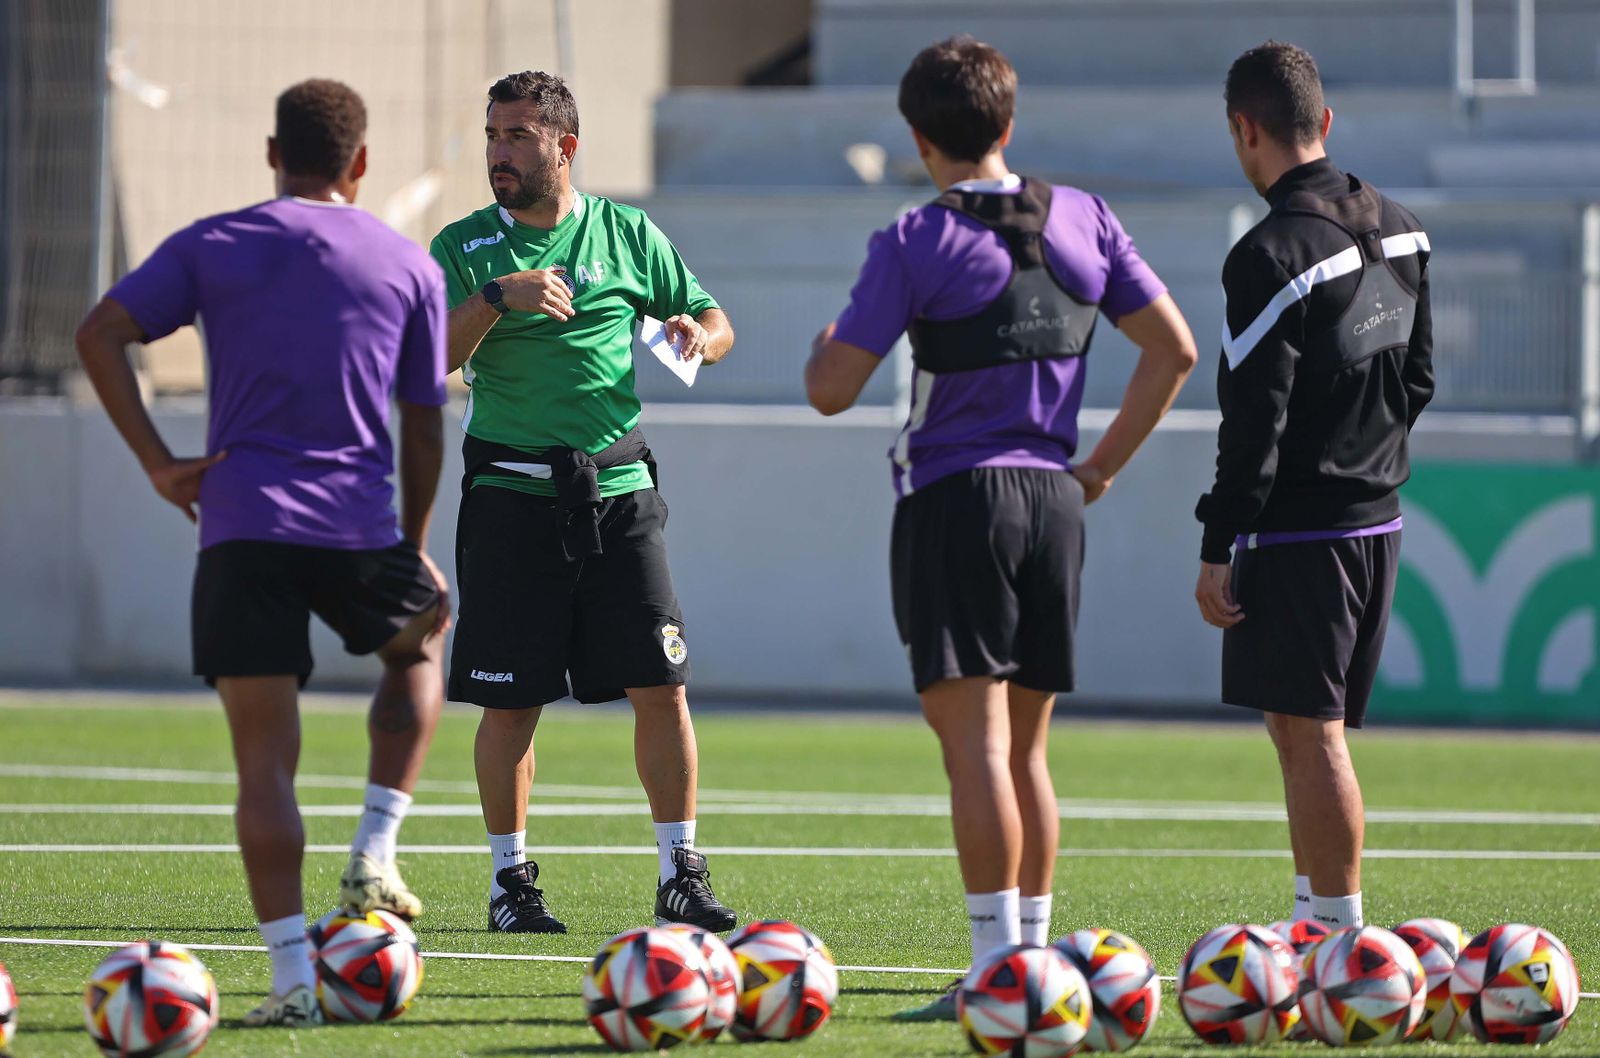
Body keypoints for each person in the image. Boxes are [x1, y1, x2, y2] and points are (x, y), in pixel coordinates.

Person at [805, 36, 1198, 1019]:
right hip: (1054, 504)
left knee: (975, 749)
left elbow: (829, 389)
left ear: (916, 136)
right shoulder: (1085, 216)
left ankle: (994, 970)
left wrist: (824, 341)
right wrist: (1098, 467)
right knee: (1025, 751)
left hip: (958, 499)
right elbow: (1174, 349)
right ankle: (1035, 964)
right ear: (1007, 125)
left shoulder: (913, 238)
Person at [74, 80, 451, 1026]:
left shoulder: (213, 243)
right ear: (360, 165)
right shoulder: (408, 264)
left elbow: (100, 334)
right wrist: (414, 547)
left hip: (241, 525)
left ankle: (290, 983)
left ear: (271, 153)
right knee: (423, 641)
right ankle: (375, 845)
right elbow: (424, 424)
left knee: (263, 768)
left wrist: (162, 466)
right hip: (361, 527)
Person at [430, 71, 738, 935]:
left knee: (662, 685)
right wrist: (498, 297)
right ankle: (509, 884)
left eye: (519, 136)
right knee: (512, 700)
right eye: (493, 133)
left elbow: (716, 322)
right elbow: (418, 361)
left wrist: (696, 337)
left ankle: (681, 871)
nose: (500, 151)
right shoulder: (462, 248)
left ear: (564, 147)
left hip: (620, 493)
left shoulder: (628, 232)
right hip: (510, 496)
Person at [1193, 41, 1434, 930]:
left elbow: (1253, 420)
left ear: (1243, 130)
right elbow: (1418, 381)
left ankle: (1338, 944)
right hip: (1379, 519)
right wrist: (1366, 457)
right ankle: (1318, 929)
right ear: (1324, 122)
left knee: (1311, 733)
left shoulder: (1269, 252)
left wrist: (1221, 543)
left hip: (1302, 532)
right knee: (1301, 731)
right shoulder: (1404, 226)